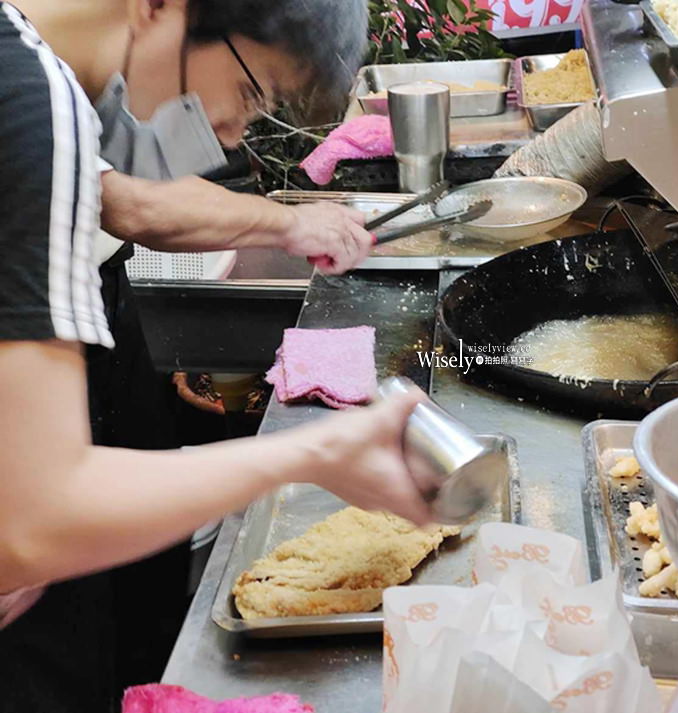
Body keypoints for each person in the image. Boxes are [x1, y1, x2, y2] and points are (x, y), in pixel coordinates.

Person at [0, 1, 426, 710]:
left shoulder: (44, 71)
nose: (229, 133)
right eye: (252, 91)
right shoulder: (34, 100)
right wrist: (319, 451)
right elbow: (37, 519)